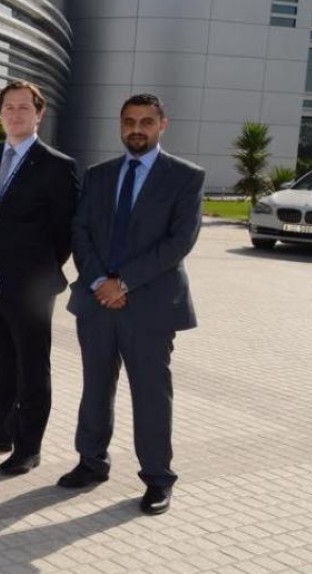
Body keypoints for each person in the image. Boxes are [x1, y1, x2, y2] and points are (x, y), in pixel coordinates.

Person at [57, 93, 204, 515]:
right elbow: (80, 230)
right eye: (128, 122)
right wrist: (101, 280)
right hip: (96, 301)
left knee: (151, 394)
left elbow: (179, 242)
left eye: (145, 121)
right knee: (95, 387)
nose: (136, 129)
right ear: (120, 125)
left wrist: (124, 283)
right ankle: (91, 462)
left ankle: (158, 478)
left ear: (162, 125)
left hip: (151, 305)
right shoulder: (99, 175)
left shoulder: (185, 177)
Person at [0, 81, 78, 476]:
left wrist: (38, 271)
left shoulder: (58, 165)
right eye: (9, 107)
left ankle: (28, 447)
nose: (16, 114)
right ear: (0, 113)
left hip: (31, 287)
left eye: (25, 107)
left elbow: (65, 232)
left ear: (39, 114)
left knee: (31, 368)